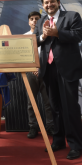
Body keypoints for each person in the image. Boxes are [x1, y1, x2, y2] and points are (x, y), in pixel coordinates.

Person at [34, 0, 82, 160]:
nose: (49, 5)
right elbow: (35, 40)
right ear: (43, 5)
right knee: (54, 107)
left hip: (67, 70)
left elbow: (78, 35)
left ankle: (75, 145)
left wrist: (57, 33)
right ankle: (58, 140)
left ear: (58, 2)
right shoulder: (41, 21)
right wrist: (43, 35)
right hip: (48, 70)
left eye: (52, 2)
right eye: (46, 3)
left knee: (70, 108)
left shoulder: (72, 16)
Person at [24, 11, 54, 139]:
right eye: (32, 19)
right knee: (32, 102)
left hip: (46, 71)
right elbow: (23, 56)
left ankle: (50, 127)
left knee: (48, 102)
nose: (34, 21)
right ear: (28, 22)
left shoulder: (48, 35)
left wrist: (41, 67)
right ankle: (33, 127)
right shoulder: (24, 37)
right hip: (31, 72)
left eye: (37, 18)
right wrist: (33, 68)